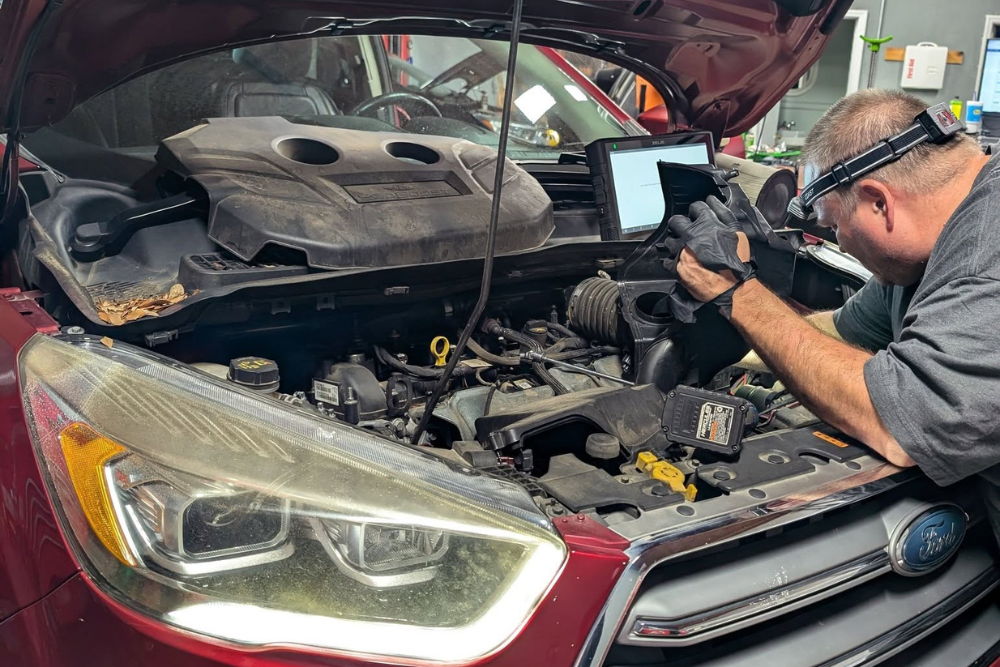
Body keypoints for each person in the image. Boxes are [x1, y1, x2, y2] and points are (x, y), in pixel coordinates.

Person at [670, 89, 1000, 539]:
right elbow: (839, 330)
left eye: (833, 225)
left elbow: (900, 425)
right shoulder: (927, 255)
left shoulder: (985, 262)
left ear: (879, 202)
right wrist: (721, 350)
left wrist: (740, 295)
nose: (839, 241)